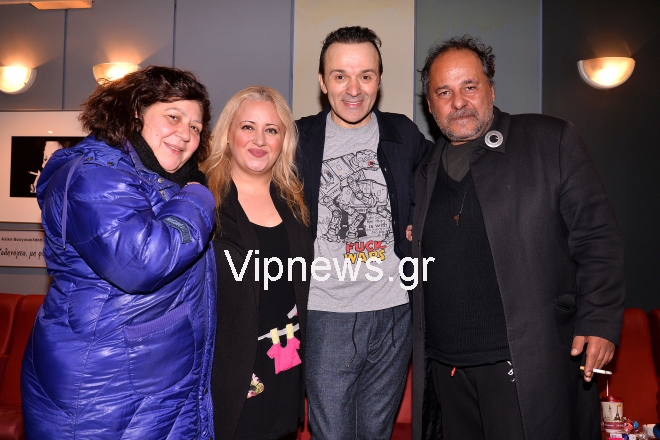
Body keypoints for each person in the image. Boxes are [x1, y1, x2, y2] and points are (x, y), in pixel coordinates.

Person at [411, 35, 626, 439]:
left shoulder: (550, 140)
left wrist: (600, 321)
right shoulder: (424, 171)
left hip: (527, 365)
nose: (458, 102)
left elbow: (598, 239)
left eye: (469, 86)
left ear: (491, 89)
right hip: (446, 371)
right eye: (444, 92)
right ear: (430, 104)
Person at [21, 66, 217, 439]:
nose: (186, 134)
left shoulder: (156, 181)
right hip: (105, 387)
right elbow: (142, 262)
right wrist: (198, 194)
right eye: (173, 117)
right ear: (135, 112)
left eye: (196, 126)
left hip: (145, 380)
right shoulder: (96, 174)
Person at [295, 26, 429, 439]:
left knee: (377, 432)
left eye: (366, 76)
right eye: (340, 76)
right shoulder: (297, 139)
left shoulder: (403, 133)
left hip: (395, 312)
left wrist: (419, 222)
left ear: (379, 80)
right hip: (325, 314)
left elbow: (438, 182)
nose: (354, 89)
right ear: (323, 82)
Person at [202, 86, 313, 440]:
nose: (260, 140)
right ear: (227, 134)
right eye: (248, 127)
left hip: (286, 366)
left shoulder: (296, 201)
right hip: (227, 374)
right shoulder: (201, 199)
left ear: (284, 141)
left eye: (272, 129)